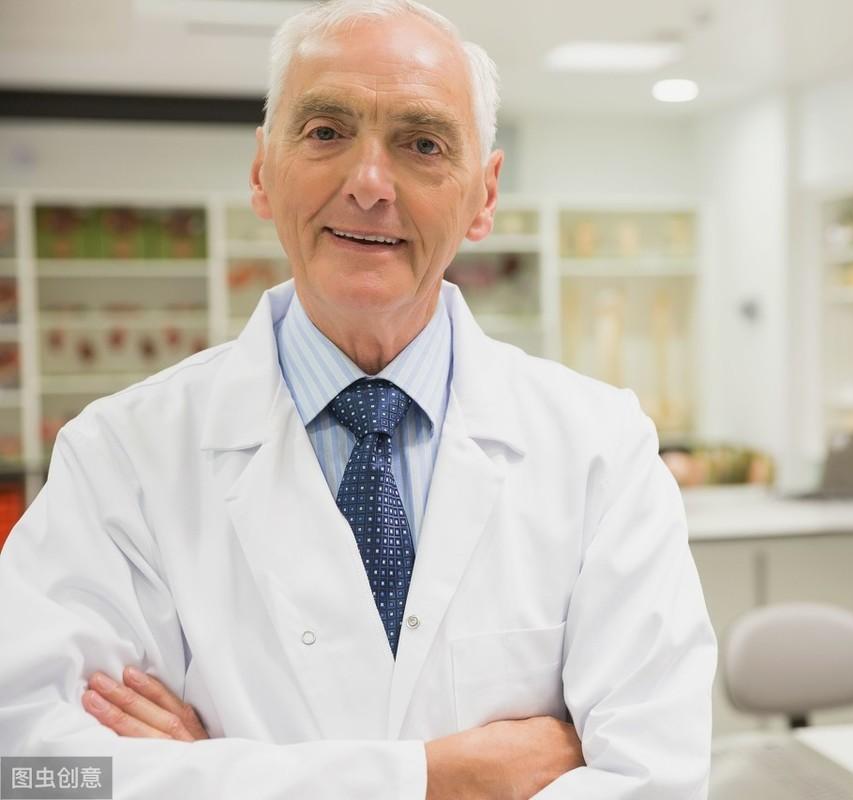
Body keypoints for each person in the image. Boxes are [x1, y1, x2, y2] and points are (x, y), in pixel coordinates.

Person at [0, 1, 717, 798]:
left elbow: (659, 779)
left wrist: (213, 773)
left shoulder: (600, 450)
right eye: (326, 132)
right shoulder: (121, 457)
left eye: (423, 144)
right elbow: (31, 771)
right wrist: (443, 779)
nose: (369, 184)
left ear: (484, 196)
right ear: (262, 171)